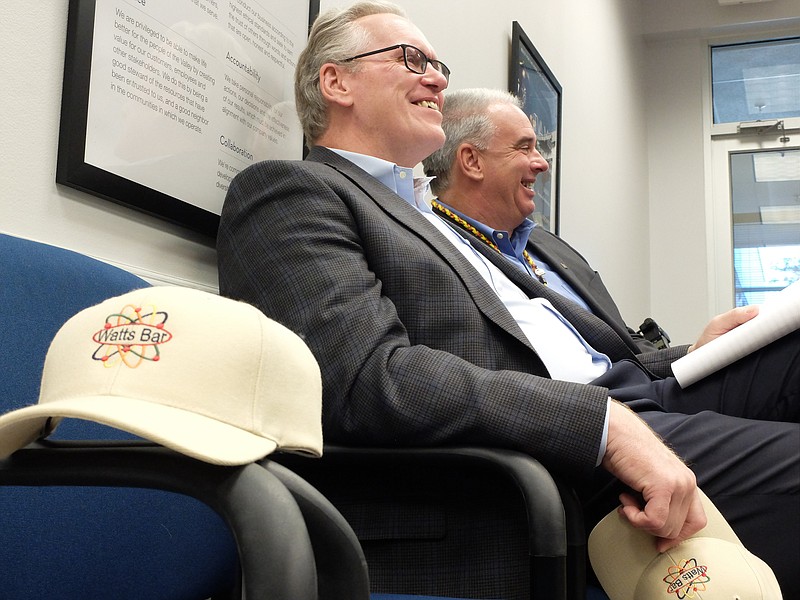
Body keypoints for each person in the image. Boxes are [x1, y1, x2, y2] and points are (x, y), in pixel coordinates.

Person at [216, 1, 799, 594]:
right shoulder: (291, 191)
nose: (438, 77)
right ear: (336, 81)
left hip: (627, 392)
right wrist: (600, 424)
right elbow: (367, 379)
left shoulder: (435, 211)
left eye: (438, 63)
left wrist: (686, 356)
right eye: (411, 58)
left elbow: (549, 335)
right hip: (554, 445)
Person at [423, 87, 664, 354]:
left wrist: (691, 357)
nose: (542, 163)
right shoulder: (435, 252)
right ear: (472, 161)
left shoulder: (552, 247)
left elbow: (623, 338)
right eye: (524, 148)